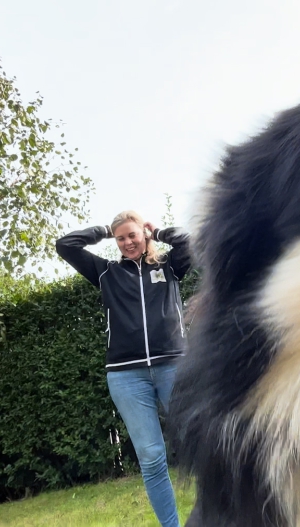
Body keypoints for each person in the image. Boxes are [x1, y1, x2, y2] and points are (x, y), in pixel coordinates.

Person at [56, 210, 190, 527]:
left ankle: (221, 514)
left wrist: (157, 233)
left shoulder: (168, 266)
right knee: (152, 457)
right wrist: (105, 229)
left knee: (201, 444)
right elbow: (65, 245)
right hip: (126, 376)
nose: (128, 242)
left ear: (143, 234)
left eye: (132, 235)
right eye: (121, 238)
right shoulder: (105, 273)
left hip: (173, 365)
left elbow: (191, 240)